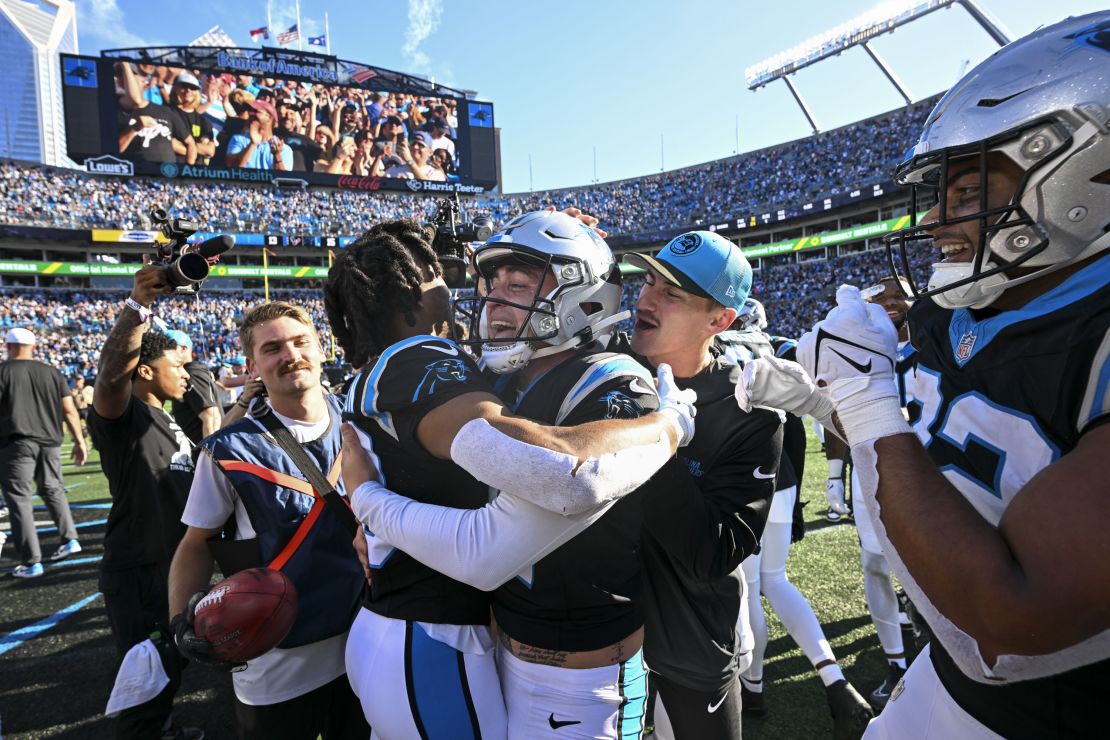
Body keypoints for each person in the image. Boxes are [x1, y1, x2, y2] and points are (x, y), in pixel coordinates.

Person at [743, 15, 1110, 738]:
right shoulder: (955, 310)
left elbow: (1009, 626)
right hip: (941, 675)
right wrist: (816, 392)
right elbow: (916, 445)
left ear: (1083, 174)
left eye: (969, 193)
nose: (939, 218)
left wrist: (866, 396)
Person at [328, 215, 695, 738]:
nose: (494, 301)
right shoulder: (497, 379)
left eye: (517, 285)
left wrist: (669, 423)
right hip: (496, 650)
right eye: (491, 285)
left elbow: (562, 487)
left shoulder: (613, 383)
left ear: (586, 298)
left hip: (578, 678)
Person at [167, 302, 369, 740]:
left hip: (367, 641)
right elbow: (195, 544)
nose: (290, 355)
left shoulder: (364, 420)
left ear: (321, 348)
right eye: (273, 348)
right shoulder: (228, 451)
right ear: (253, 364)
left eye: (300, 343)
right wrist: (180, 621)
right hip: (278, 659)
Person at [618, 233, 784, 740]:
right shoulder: (609, 374)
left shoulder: (749, 415)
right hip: (602, 641)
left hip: (691, 647)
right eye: (648, 281)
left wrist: (658, 433)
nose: (645, 299)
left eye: (672, 293)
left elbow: (712, 552)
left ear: (720, 321)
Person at [721, 302, 874, 737]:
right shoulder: (778, 350)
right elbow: (809, 422)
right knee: (777, 579)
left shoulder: (716, 353)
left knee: (747, 590)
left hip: (739, 480)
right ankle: (833, 678)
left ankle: (752, 689)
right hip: (781, 479)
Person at [88, 267, 199, 740]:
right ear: (148, 371)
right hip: (137, 566)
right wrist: (138, 307)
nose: (187, 372)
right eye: (178, 365)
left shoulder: (166, 419)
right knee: (145, 671)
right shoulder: (125, 417)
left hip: (169, 563)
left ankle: (163, 730)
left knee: (169, 664)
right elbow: (112, 378)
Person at [852, 276, 917, 710]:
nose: (891, 303)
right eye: (881, 297)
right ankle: (896, 661)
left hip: (926, 472)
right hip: (870, 469)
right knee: (875, 562)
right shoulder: (857, 349)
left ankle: (932, 643)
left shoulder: (937, 342)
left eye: (900, 295)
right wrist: (836, 475)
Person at [0, 327, 87, 578]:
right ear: (35, 347)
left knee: (19, 499)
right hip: (50, 442)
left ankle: (31, 561)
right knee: (53, 489)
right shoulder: (52, 372)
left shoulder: (3, 372)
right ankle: (70, 539)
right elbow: (69, 410)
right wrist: (79, 441)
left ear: (8, 346)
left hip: (17, 443)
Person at [166, 330, 222, 446]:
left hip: (203, 454)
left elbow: (211, 418)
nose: (164, 352)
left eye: (169, 346)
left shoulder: (191, 373)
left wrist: (208, 460)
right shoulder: (187, 373)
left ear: (184, 349)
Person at [224, 99, 293, 171]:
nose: (251, 114)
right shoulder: (238, 139)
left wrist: (277, 155)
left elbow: (282, 179)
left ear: (269, 118)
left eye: (256, 111)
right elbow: (231, 168)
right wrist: (252, 144)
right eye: (250, 111)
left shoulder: (283, 149)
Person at [167, 72, 214, 165]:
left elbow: (210, 151)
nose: (188, 90)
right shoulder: (166, 113)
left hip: (196, 172)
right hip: (173, 167)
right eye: (183, 86)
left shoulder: (204, 121)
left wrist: (188, 148)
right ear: (175, 88)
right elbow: (169, 144)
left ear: (197, 92)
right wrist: (198, 149)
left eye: (193, 88)